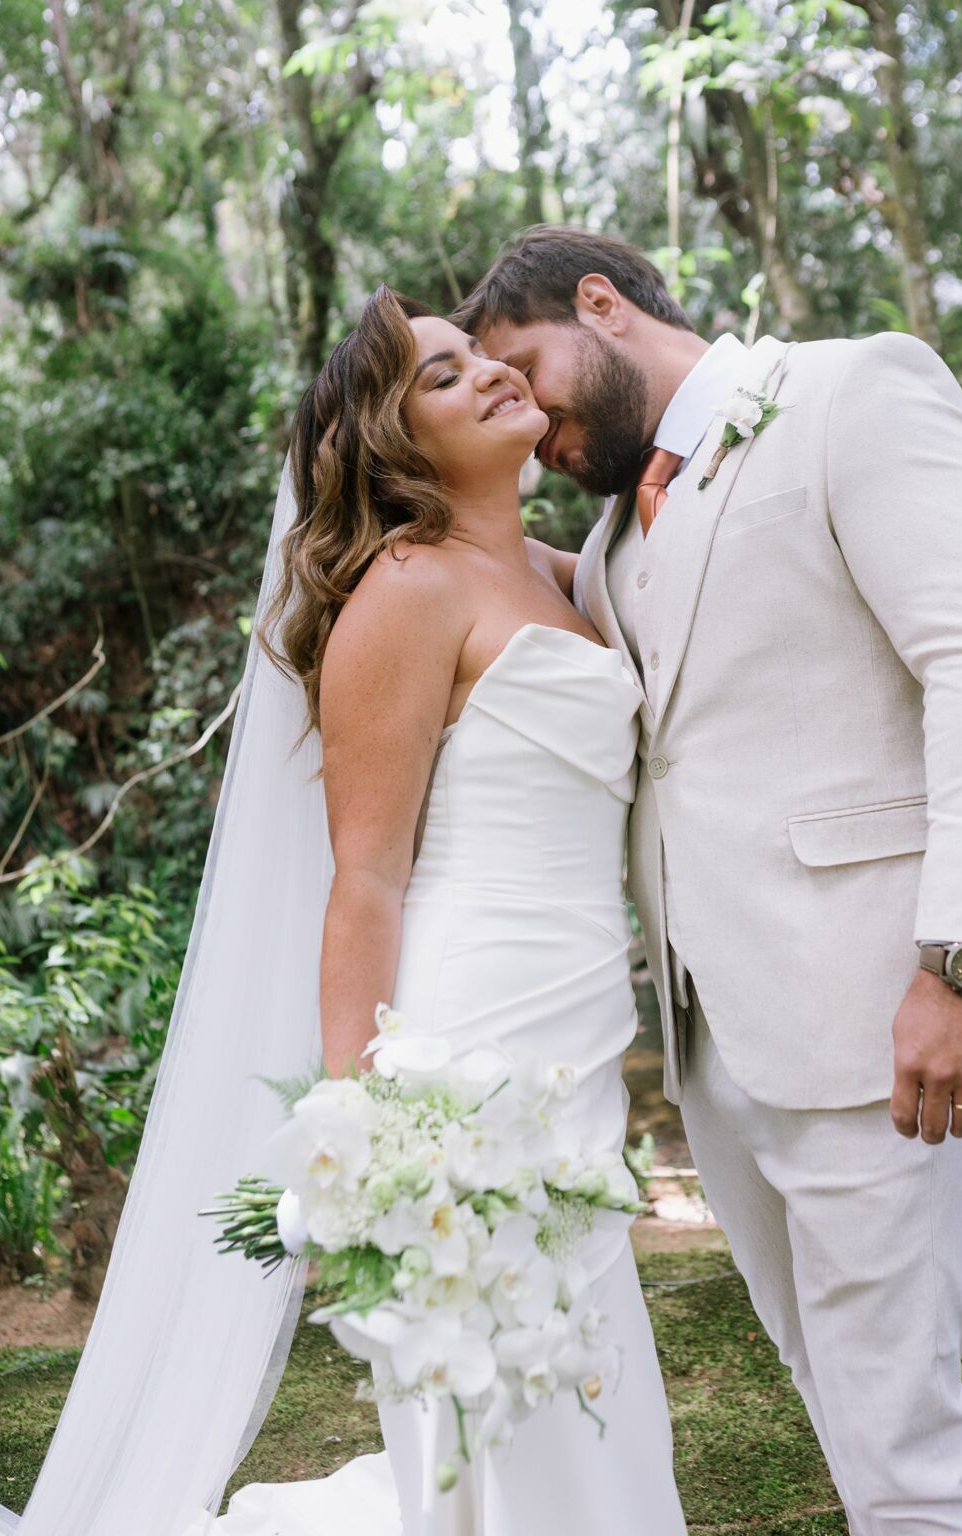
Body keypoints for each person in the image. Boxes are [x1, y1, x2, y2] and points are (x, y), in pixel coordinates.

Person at [455, 225, 962, 1536]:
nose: (524, 420)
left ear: (598, 305)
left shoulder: (851, 392)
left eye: (519, 372)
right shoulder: (607, 544)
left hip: (874, 1017)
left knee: (901, 1424)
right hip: (711, 1046)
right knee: (831, 1399)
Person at [200, 285, 688, 1535]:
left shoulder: (553, 570)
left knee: (583, 1362)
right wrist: (359, 1131)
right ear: (391, 440)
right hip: (474, 1047)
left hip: (581, 1030)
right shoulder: (405, 593)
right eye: (438, 375)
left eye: (479, 352)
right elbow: (363, 875)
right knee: (504, 1374)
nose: (486, 372)